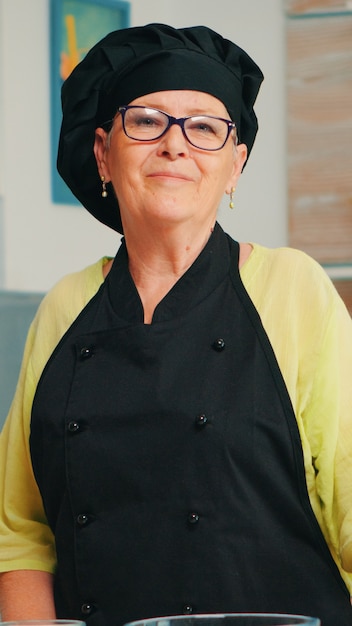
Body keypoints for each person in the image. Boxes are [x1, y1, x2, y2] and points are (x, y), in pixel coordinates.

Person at [0, 22, 351, 626]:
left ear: (235, 166)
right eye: (146, 120)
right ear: (103, 154)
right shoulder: (64, 307)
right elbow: (21, 531)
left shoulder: (293, 288)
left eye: (205, 127)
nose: (175, 144)